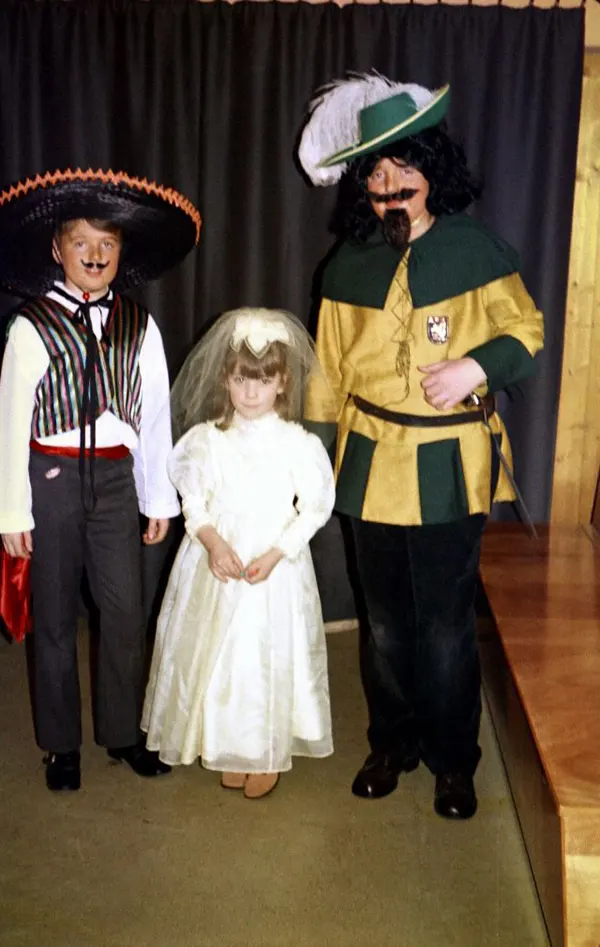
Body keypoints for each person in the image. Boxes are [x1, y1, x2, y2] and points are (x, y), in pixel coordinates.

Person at [297, 75, 544, 819]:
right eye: (375, 174)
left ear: (433, 169)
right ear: (362, 187)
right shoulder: (345, 266)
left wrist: (478, 365)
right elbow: (324, 379)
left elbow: (526, 332)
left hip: (447, 466)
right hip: (368, 464)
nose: (390, 185)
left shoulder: (478, 250)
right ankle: (392, 742)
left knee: (443, 624)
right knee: (383, 621)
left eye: (404, 169)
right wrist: (314, 466)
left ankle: (451, 758)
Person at [0, 168, 201, 792]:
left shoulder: (140, 328)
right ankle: (61, 746)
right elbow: (9, 421)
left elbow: (156, 416)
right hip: (50, 479)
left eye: (107, 245)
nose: (95, 255)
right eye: (82, 242)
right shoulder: (30, 325)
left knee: (122, 613)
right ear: (58, 249)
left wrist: (156, 495)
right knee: (54, 618)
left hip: (116, 483)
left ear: (121, 254)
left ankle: (123, 733)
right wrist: (12, 511)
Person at [141, 307, 335, 799]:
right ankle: (229, 740)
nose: (252, 393)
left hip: (272, 563)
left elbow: (314, 507)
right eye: (241, 380)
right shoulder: (208, 440)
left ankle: (264, 749)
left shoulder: (297, 443)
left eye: (264, 381)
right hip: (219, 559)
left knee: (263, 653)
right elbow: (196, 501)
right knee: (220, 654)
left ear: (282, 384)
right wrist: (210, 540)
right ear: (225, 380)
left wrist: (278, 552)